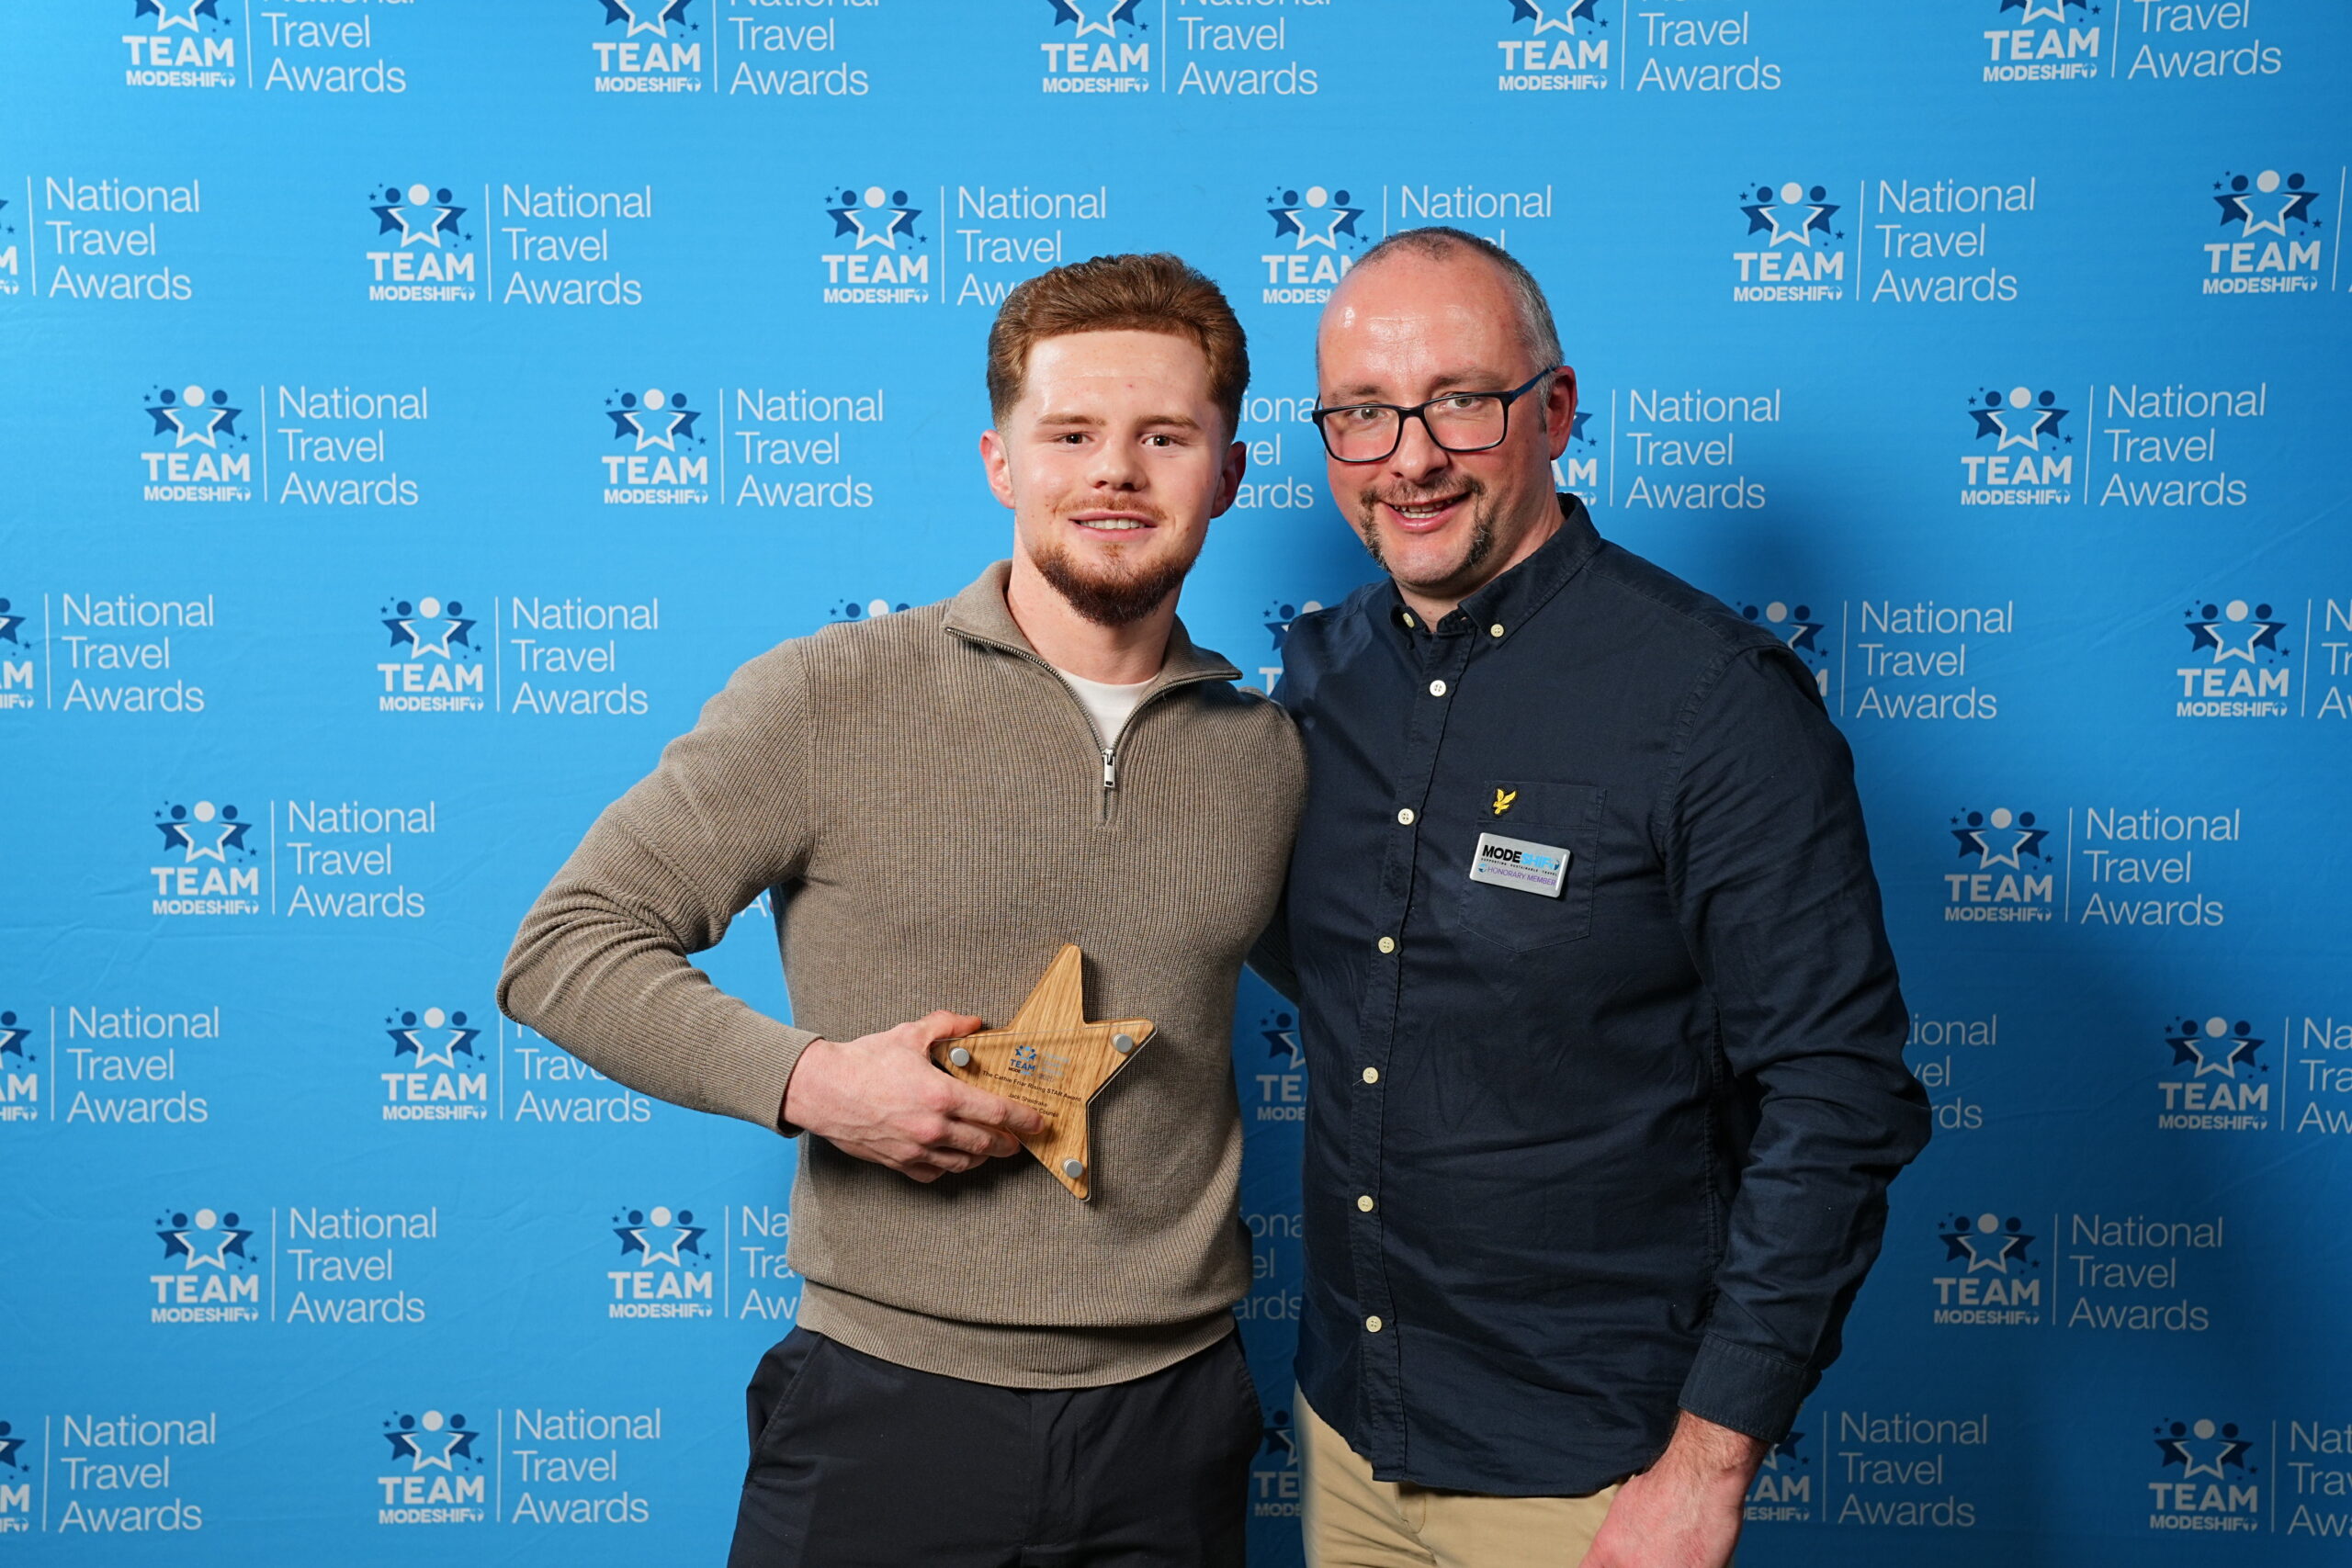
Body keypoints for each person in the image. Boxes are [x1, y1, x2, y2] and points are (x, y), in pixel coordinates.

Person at [499, 253, 1303, 1568]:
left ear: (1229, 471)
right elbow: (564, 949)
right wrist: (811, 1082)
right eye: (1073, 434)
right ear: (1001, 461)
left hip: (1178, 1422)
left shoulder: (1270, 754)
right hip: (888, 1409)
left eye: (1165, 435)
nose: (1115, 470)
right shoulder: (827, 696)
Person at [1255, 227, 1931, 1568]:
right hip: (1347, 1440)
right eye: (1363, 415)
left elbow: (1838, 1093)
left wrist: (1706, 1467)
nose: (1411, 456)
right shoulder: (1317, 679)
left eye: (1460, 400)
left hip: (1595, 1482)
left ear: (1554, 411)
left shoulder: (1712, 702)